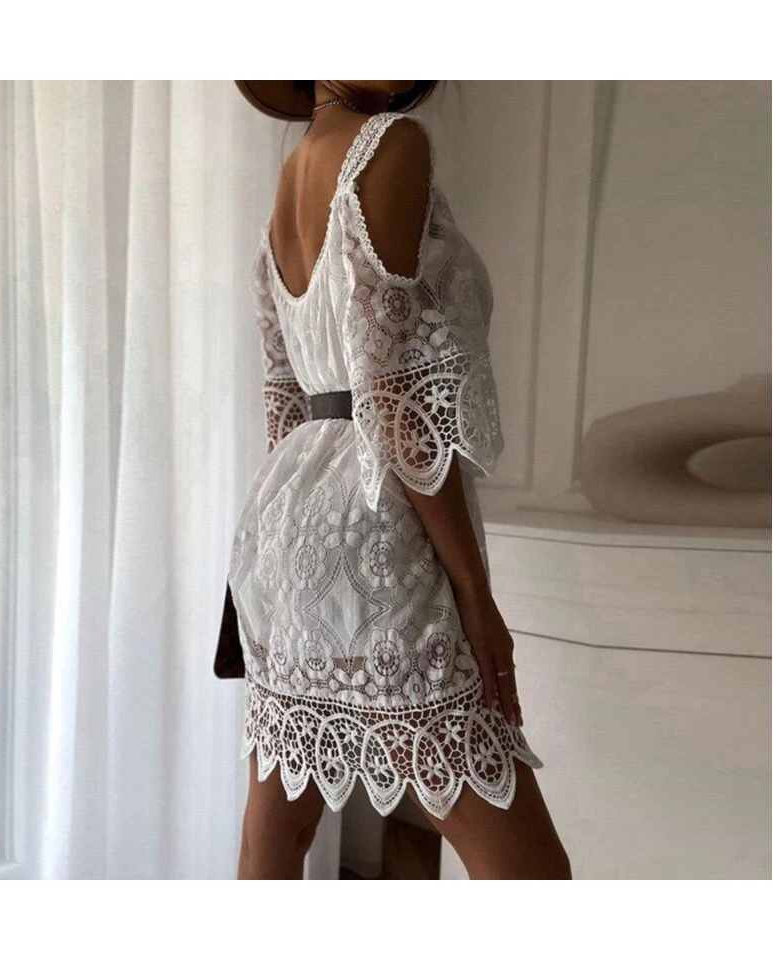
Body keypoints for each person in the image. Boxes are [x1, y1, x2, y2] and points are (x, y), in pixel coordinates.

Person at [230, 81, 571, 880]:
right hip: (375, 523)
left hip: (284, 520)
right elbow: (394, 400)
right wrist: (476, 598)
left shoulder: (288, 180)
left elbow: (286, 397)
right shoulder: (391, 143)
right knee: (531, 873)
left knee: (274, 835)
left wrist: (294, 542)